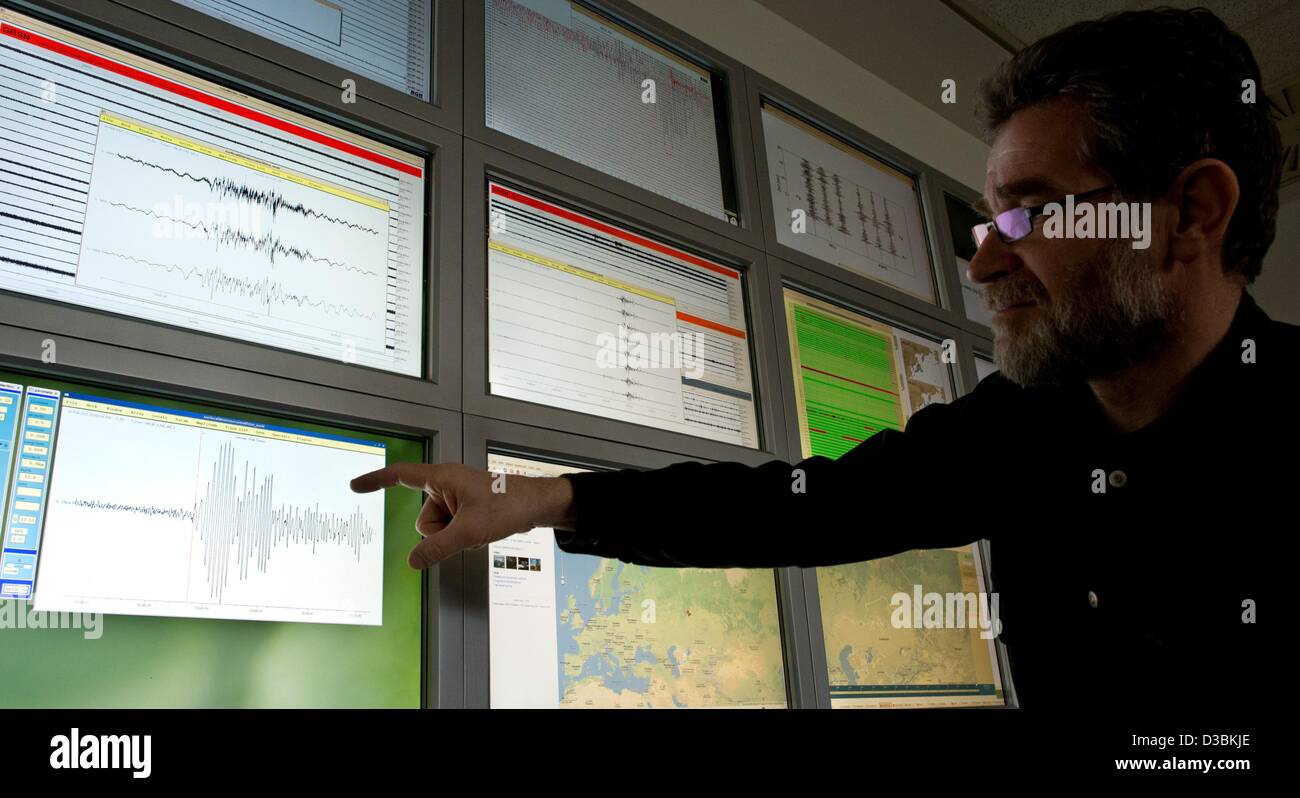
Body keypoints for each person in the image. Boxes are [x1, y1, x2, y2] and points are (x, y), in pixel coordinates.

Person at [351, 8, 1293, 710]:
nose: (985, 262)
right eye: (986, 220)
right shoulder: (1021, 427)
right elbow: (800, 508)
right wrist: (546, 498)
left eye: (1032, 214)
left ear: (1193, 215)